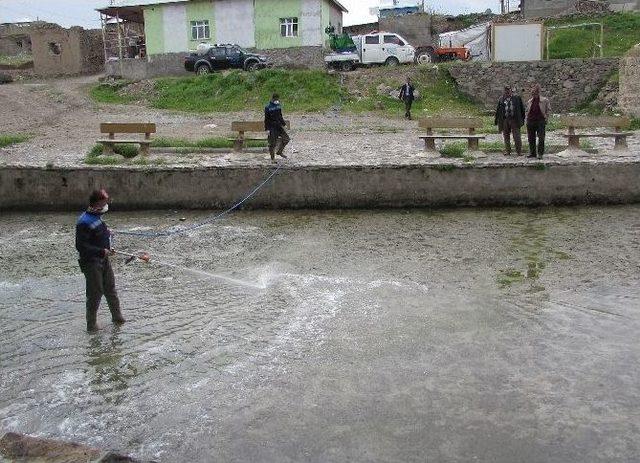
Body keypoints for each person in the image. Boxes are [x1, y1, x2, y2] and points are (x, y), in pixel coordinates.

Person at [75, 189, 125, 332]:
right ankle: (91, 325)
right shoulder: (83, 222)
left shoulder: (98, 218)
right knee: (95, 293)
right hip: (91, 263)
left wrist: (109, 247)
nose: (107, 204)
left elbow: (100, 237)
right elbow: (81, 246)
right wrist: (101, 251)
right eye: (105, 201)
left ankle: (117, 317)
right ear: (97, 203)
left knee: (110, 289)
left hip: (104, 260)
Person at [495, 85, 525, 156]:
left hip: (514, 119)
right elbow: (498, 111)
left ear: (511, 91)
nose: (507, 92)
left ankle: (519, 151)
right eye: (506, 90)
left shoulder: (517, 98)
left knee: (516, 136)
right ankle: (508, 151)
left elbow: (522, 109)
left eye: (508, 90)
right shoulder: (501, 99)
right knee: (506, 136)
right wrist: (497, 121)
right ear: (504, 91)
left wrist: (522, 119)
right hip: (505, 119)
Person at [525, 84, 552, 159]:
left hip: (540, 121)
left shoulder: (544, 100)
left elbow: (548, 110)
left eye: (534, 92)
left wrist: (546, 117)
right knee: (531, 138)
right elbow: (527, 110)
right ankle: (532, 153)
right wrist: (527, 118)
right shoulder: (530, 101)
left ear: (538, 92)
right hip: (530, 121)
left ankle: (540, 153)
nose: (532, 94)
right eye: (532, 93)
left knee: (541, 138)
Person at [264, 93, 290, 163]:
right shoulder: (268, 107)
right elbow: (266, 119)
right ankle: (272, 159)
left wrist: (284, 125)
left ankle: (279, 151)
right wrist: (267, 129)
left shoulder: (278, 105)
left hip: (279, 127)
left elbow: (280, 116)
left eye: (277, 99)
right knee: (272, 144)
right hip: (272, 128)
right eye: (275, 99)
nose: (276, 100)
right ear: (272, 99)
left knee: (286, 139)